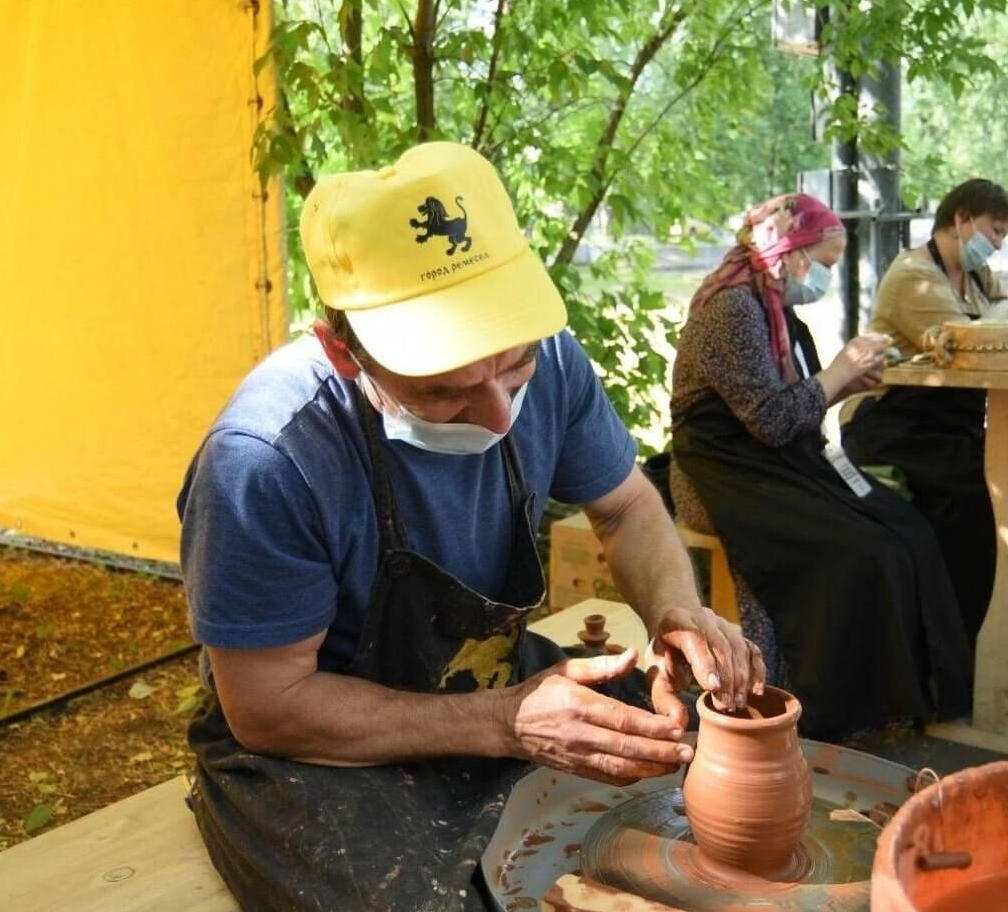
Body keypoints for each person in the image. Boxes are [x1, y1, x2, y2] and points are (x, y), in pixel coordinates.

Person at [177, 142, 762, 911]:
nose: (495, 414)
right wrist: (503, 723)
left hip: (498, 683)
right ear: (342, 351)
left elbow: (625, 508)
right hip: (320, 740)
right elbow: (269, 706)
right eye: (443, 391)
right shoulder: (266, 460)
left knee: (699, 763)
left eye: (510, 370)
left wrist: (672, 612)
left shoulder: (551, 362)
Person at [668, 192, 971, 739]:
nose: (826, 278)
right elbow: (770, 420)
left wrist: (843, 383)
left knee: (905, 527)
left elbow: (792, 412)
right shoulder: (732, 309)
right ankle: (824, 709)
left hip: (773, 464)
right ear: (793, 252)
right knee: (858, 552)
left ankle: (906, 694)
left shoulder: (774, 307)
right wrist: (837, 374)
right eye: (826, 265)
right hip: (721, 476)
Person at [840, 179, 1008, 641]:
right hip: (890, 421)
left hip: (943, 422)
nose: (998, 244)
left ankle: (987, 633)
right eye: (994, 231)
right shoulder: (914, 275)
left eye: (1003, 236)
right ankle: (956, 646)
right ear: (960, 219)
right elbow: (967, 345)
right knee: (975, 497)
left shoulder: (974, 275)